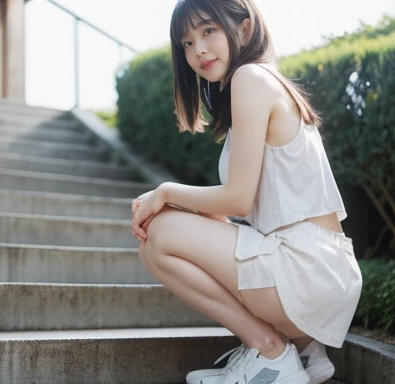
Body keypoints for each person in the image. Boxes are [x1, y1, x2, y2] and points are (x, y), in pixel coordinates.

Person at [130, 0, 363, 383]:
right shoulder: (259, 83)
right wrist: (176, 208)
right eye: (186, 43)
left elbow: (236, 198)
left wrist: (167, 192)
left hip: (307, 268)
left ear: (243, 27)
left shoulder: (250, 79)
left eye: (208, 31)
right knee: (160, 235)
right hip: (316, 267)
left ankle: (271, 351)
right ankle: (303, 352)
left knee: (160, 234)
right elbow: (239, 212)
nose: (198, 49)